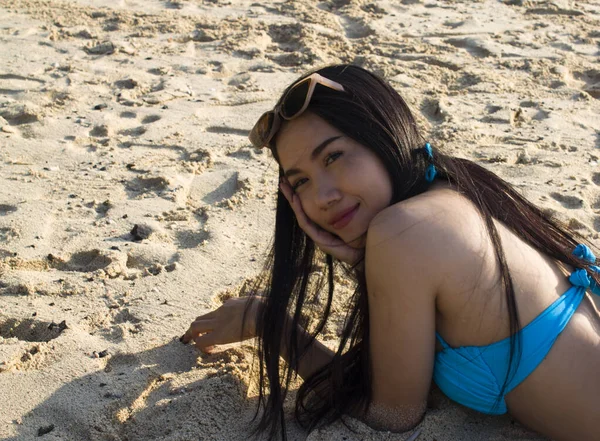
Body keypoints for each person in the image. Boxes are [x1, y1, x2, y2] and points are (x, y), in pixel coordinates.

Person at [181, 64, 600, 441]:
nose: (323, 196)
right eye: (301, 181)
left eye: (334, 156)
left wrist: (272, 324)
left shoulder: (405, 231)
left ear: (381, 134)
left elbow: (390, 416)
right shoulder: (452, 189)